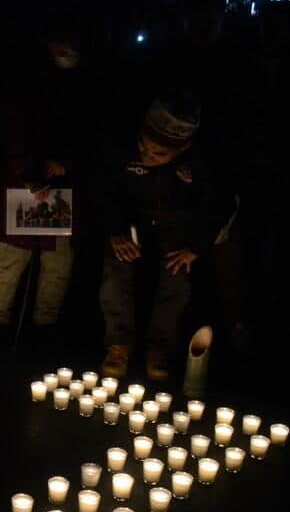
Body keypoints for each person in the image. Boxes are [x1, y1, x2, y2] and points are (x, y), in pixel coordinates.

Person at [97, 93, 232, 380]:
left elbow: (221, 204)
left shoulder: (201, 163)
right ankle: (118, 344)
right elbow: (105, 190)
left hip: (179, 226)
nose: (146, 156)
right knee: (116, 269)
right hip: (132, 220)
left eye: (158, 154)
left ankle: (160, 348)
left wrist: (196, 247)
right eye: (143, 148)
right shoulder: (121, 149)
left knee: (176, 277)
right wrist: (116, 231)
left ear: (182, 148)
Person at [0, 22, 90, 328]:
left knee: (57, 261)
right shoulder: (25, 82)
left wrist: (68, 162)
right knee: (12, 255)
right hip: (27, 182)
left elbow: (93, 132)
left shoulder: (85, 83)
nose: (66, 52)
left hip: (63, 186)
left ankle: (45, 322)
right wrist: (26, 171)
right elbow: (11, 127)